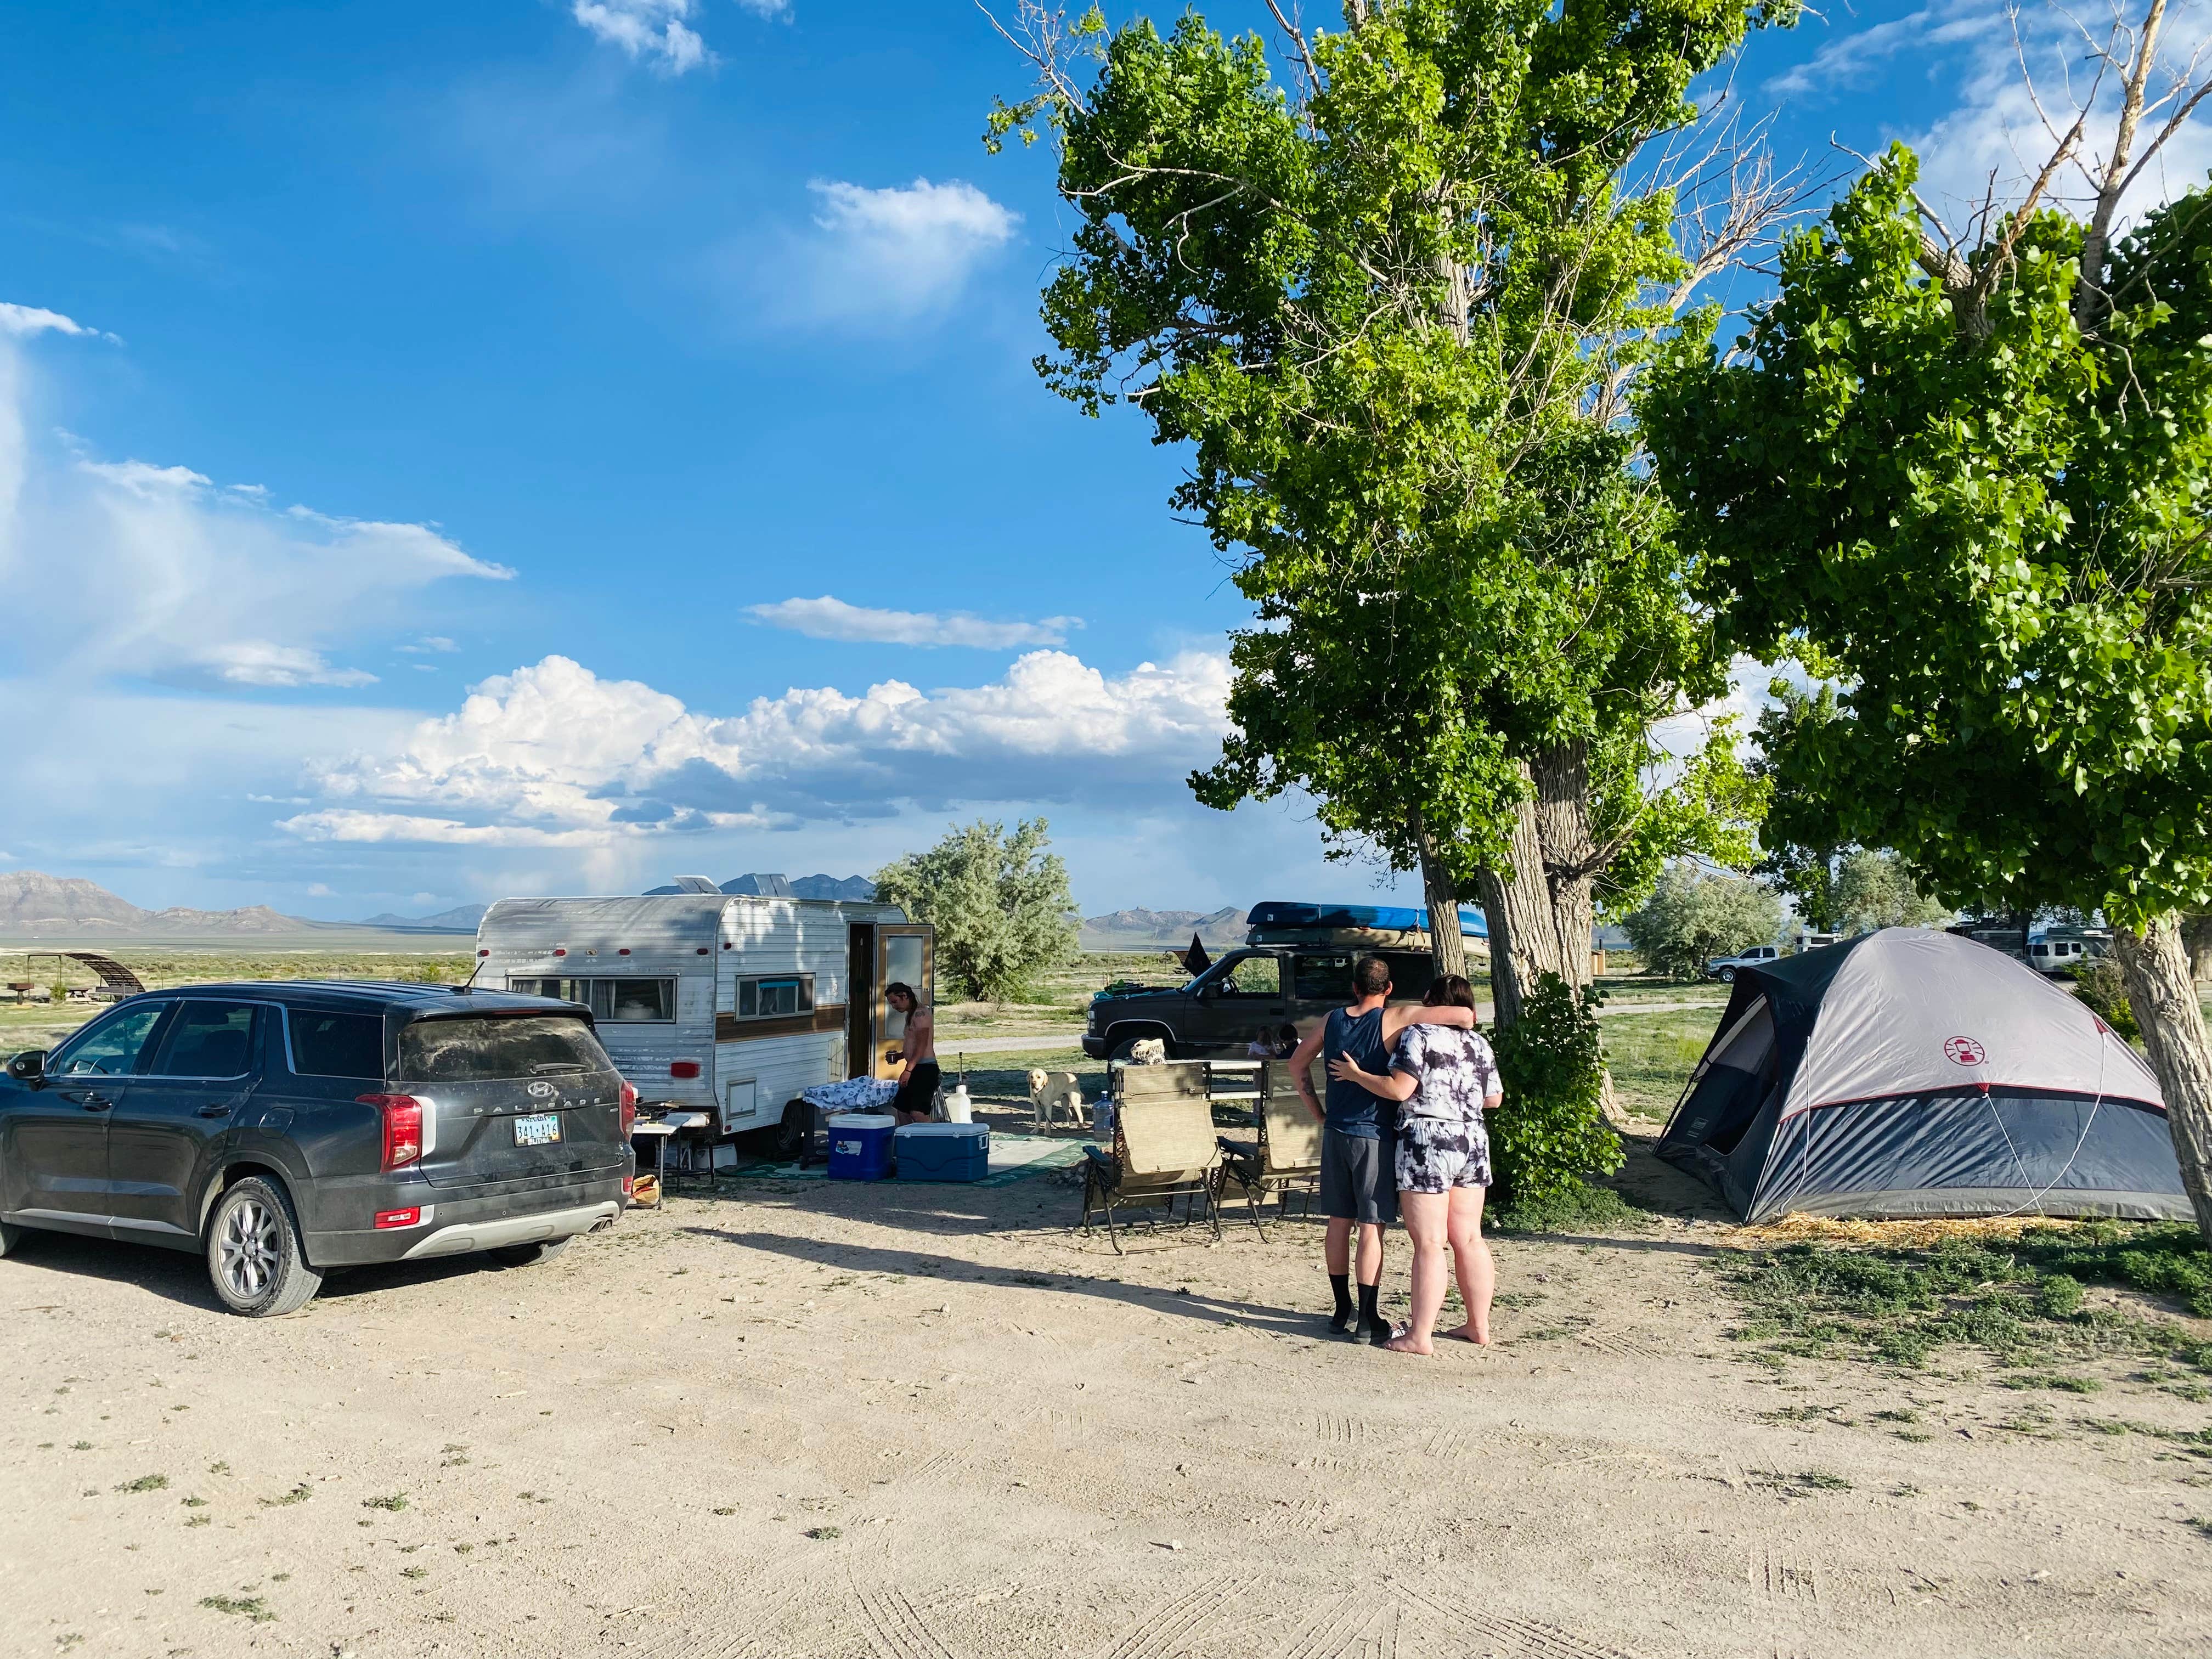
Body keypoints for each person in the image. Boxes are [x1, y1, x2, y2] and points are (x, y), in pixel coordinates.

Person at [1286, 955, 1476, 1345]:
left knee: (1338, 1222)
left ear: (1354, 988)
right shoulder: (1396, 1017)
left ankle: (1341, 1309)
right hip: (1374, 1133)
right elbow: (1465, 1017)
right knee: (1371, 1226)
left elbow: (1296, 1065)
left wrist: (1318, 1112)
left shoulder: (1331, 1020)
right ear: (1388, 988)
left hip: (1336, 1131)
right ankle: (1368, 1317)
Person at [1327, 974, 1502, 1356]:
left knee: (1429, 1242)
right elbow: (1494, 1099)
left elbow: (1400, 1089)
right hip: (1472, 1138)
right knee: (1470, 1238)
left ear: (1432, 1002)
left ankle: (1420, 1335)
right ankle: (1478, 1325)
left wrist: (1357, 1075)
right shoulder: (1479, 1043)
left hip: (1427, 1141)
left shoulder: (1418, 1035)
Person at [884, 981, 938, 1126]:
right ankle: (908, 1138)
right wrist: (900, 1056)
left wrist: (908, 1070)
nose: (894, 1007)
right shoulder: (911, 1015)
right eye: (891, 1003)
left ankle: (936, 1136)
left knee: (917, 1113)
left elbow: (922, 1045)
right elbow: (914, 1045)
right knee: (902, 1111)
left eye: (895, 1002)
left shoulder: (921, 1014)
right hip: (915, 1067)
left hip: (925, 1069)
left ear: (905, 996)